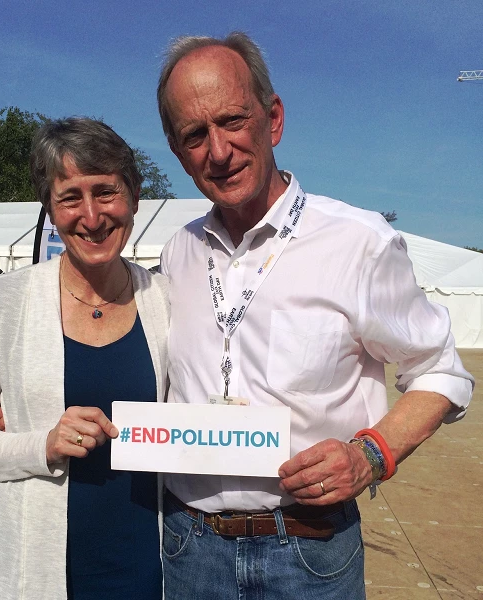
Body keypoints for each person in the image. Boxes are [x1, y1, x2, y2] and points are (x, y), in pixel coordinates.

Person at [156, 32, 474, 599]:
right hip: (188, 548)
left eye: (232, 120)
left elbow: (441, 372)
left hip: (307, 550)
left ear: (272, 120)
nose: (219, 151)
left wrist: (370, 456)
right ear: (178, 152)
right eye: (194, 135)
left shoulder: (359, 242)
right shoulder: (177, 252)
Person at [0, 118, 169, 600]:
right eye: (70, 198)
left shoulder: (167, 299)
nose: (91, 216)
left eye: (106, 192)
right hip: (32, 562)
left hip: (149, 563)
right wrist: (41, 444)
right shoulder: (1, 303)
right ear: (50, 207)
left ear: (133, 197)